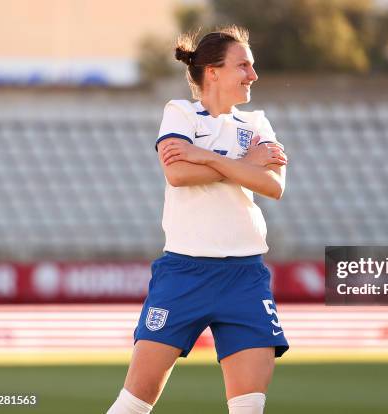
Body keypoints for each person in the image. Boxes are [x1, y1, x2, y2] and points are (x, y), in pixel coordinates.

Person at [106, 25, 289, 414]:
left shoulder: (256, 124)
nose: (253, 75)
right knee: (133, 404)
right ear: (213, 72)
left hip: (245, 277)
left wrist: (205, 157)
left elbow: (273, 185)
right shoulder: (180, 112)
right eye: (244, 65)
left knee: (248, 409)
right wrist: (241, 165)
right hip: (184, 272)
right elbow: (178, 175)